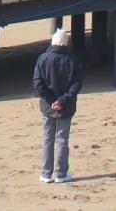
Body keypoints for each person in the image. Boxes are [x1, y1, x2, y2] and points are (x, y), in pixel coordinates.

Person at [33, 28, 82, 183]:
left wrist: (51, 100)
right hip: (65, 106)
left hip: (49, 106)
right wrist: (61, 100)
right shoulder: (72, 60)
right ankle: (61, 174)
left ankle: (46, 174)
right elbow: (76, 84)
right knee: (62, 139)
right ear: (65, 43)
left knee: (48, 139)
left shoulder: (43, 58)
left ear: (53, 42)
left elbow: (37, 83)